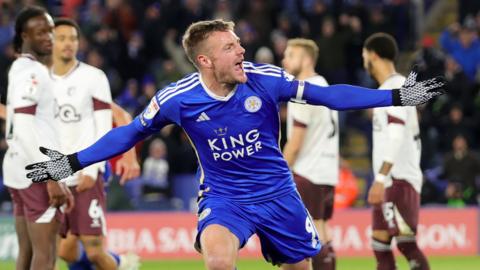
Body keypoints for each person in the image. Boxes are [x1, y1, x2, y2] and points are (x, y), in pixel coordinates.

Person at [26, 20, 444, 270]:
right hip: (226, 198)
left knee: (303, 266)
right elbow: (130, 132)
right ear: (205, 61)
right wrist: (71, 162)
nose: (242, 50)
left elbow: (329, 95)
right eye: (230, 47)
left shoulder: (266, 78)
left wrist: (395, 96)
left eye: (239, 43)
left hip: (280, 194)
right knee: (219, 261)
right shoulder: (178, 98)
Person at [50, 18, 140, 270]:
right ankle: (119, 262)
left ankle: (118, 264)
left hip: (90, 168)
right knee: (66, 251)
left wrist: (121, 159)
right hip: (58, 175)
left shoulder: (91, 79)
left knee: (93, 248)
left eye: (72, 38)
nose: (68, 44)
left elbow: (117, 116)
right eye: (61, 38)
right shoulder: (40, 83)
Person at [4, 6, 73, 270]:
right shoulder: (34, 73)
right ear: (24, 35)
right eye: (40, 31)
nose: (48, 37)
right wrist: (52, 176)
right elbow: (23, 126)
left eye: (50, 31)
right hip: (35, 173)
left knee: (27, 254)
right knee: (45, 257)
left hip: (17, 167)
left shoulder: (19, 68)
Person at [363, 32, 430, 270]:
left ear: (373, 55)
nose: (364, 61)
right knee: (380, 247)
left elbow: (396, 135)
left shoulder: (398, 87)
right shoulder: (387, 89)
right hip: (390, 181)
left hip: (399, 180)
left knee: (406, 245)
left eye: (364, 55)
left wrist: (380, 179)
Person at [282, 38, 338, 270]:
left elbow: (295, 143)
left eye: (290, 55)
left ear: (305, 59)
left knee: (300, 238)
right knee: (322, 228)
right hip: (326, 171)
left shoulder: (303, 90)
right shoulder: (323, 85)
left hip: (307, 172)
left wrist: (279, 173)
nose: (284, 60)